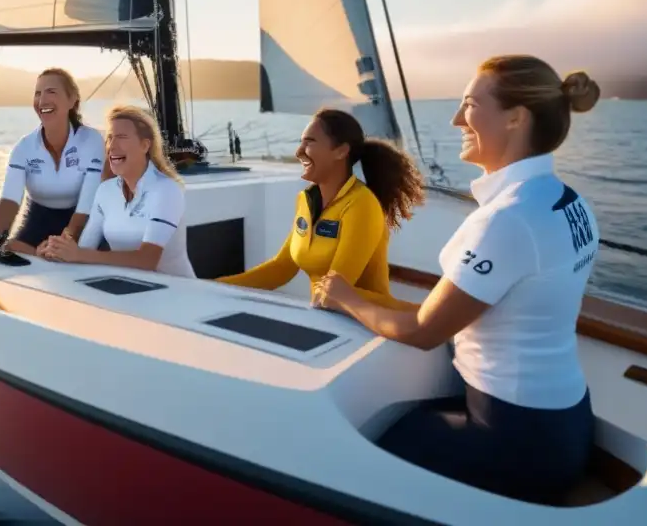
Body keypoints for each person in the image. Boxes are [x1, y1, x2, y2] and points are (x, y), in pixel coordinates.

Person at [312, 55, 601, 505]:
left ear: (515, 118)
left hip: (515, 439)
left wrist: (345, 297)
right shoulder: (567, 201)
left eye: (468, 104)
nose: (454, 119)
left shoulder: (509, 219)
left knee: (363, 451)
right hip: (568, 422)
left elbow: (425, 332)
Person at [216, 108, 423, 310]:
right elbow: (281, 268)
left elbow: (336, 290)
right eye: (301, 142)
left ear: (341, 151)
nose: (299, 152)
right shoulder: (306, 200)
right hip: (327, 314)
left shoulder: (361, 204)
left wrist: (422, 315)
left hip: (369, 324)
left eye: (310, 142)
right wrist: (214, 285)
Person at [42, 105, 195, 279]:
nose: (112, 146)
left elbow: (147, 260)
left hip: (179, 293)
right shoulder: (105, 191)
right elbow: (85, 250)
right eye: (109, 138)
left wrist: (79, 254)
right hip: (130, 290)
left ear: (145, 145)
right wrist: (57, 252)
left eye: (122, 137)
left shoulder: (166, 190)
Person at [0, 68, 104, 256]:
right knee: (4, 249)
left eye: (51, 92)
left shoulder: (91, 140)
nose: (42, 101)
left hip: (81, 223)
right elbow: (9, 204)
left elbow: (86, 206)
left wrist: (62, 244)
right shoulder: (24, 147)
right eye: (37, 94)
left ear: (72, 99)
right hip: (37, 221)